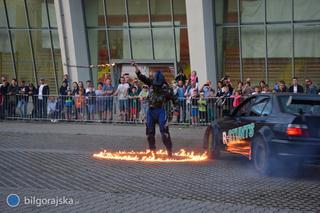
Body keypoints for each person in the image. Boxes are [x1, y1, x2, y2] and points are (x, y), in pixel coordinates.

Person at [133, 62, 177, 157]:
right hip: (151, 111)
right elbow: (141, 76)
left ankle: (169, 151)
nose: (156, 86)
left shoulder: (167, 89)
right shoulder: (151, 82)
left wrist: (175, 110)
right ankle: (152, 150)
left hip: (160, 110)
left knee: (164, 132)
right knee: (150, 133)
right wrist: (136, 66)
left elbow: (174, 98)